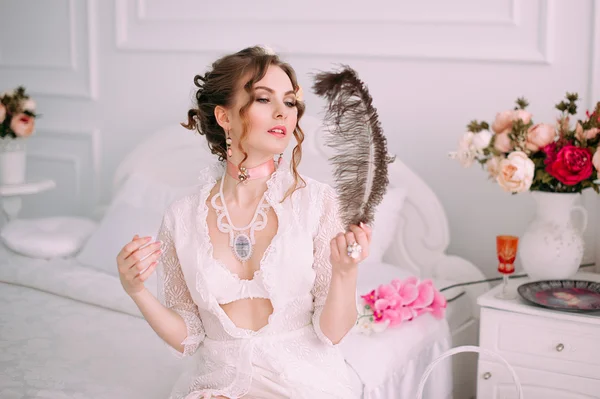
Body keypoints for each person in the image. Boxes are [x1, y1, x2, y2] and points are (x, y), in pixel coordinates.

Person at [116, 45, 371, 399]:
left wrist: (345, 273)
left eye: (290, 102)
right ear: (224, 117)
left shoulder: (317, 202)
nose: (283, 113)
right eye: (264, 100)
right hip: (217, 385)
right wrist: (136, 291)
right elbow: (189, 337)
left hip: (302, 384)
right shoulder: (182, 217)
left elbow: (333, 332)